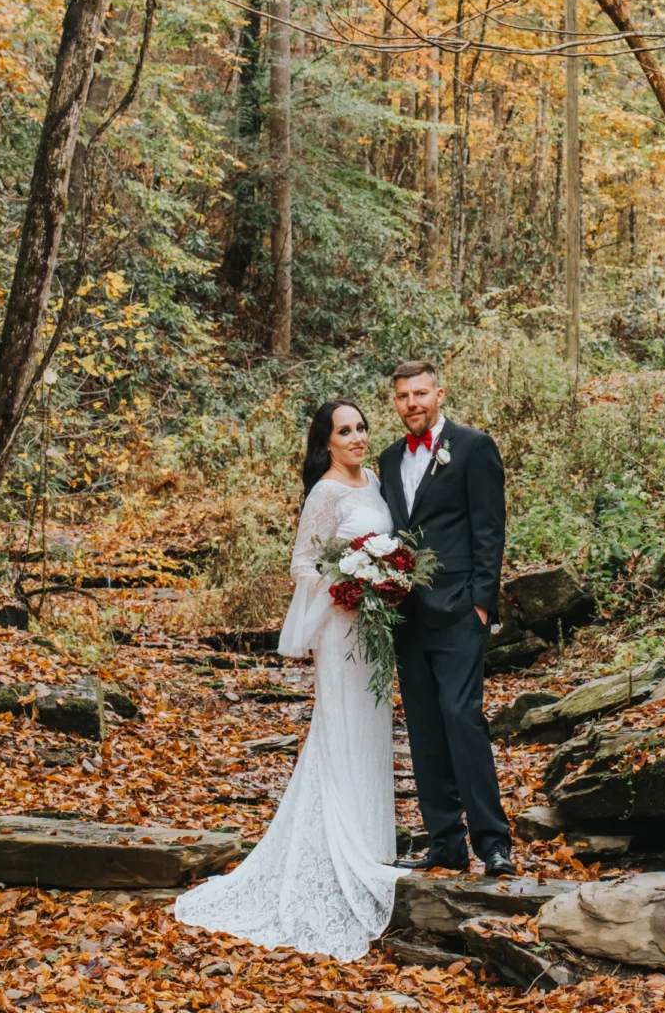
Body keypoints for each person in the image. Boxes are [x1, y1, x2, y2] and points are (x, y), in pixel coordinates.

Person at [173, 399, 407, 962]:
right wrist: (348, 588)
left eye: (359, 428)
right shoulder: (325, 492)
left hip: (374, 634)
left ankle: (372, 847)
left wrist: (386, 577)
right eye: (343, 431)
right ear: (325, 442)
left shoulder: (373, 479)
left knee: (372, 733)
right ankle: (333, 854)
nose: (356, 437)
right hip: (341, 630)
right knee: (341, 730)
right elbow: (303, 562)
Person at [377, 360, 514, 877]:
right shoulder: (389, 460)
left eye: (420, 394)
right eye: (402, 396)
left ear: (439, 394)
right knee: (425, 727)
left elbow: (489, 529)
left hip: (459, 609)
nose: (411, 403)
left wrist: (483, 602)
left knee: (462, 718)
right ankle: (445, 842)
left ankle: (493, 841)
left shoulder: (474, 447)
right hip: (405, 615)